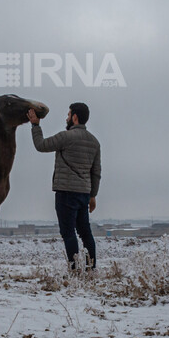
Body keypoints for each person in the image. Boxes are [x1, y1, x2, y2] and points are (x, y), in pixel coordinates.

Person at [28, 102, 101, 270]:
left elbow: (41, 145)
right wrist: (93, 196)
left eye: (68, 115)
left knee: (68, 233)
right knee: (85, 233)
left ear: (75, 117)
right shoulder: (94, 142)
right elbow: (96, 172)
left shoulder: (66, 137)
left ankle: (74, 270)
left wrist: (35, 125)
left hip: (66, 193)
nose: (66, 118)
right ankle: (91, 268)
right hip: (84, 193)